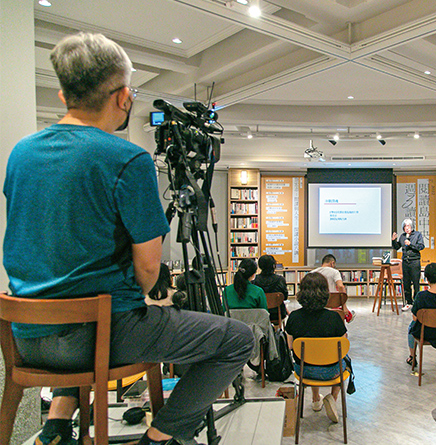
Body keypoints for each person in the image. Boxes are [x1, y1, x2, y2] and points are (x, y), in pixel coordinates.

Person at [3, 32, 254, 445]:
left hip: (26, 338)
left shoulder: (21, 152)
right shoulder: (127, 159)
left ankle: (57, 426)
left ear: (65, 94)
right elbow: (149, 268)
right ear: (122, 98)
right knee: (237, 339)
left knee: (82, 296)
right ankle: (161, 437)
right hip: (99, 337)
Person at [286, 273, 348, 423]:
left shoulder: (294, 317)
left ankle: (315, 399)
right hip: (332, 371)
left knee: (310, 356)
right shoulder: (334, 317)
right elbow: (344, 346)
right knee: (347, 362)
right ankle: (332, 399)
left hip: (303, 370)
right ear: (325, 293)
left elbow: (290, 345)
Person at [392, 218, 425, 312]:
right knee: (406, 283)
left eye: (408, 226)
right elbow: (397, 247)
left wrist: (410, 244)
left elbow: (421, 246)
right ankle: (408, 302)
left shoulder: (417, 235)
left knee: (415, 283)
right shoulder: (402, 236)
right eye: (405, 227)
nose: (407, 228)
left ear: (411, 227)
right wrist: (394, 241)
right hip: (405, 262)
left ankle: (416, 303)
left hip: (415, 261)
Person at [310, 254, 354, 323]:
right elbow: (341, 286)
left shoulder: (312, 273)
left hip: (315, 305)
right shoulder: (334, 272)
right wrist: (344, 306)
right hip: (331, 304)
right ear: (332, 263)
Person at [253, 254, 290, 323]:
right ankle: (276, 331)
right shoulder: (280, 280)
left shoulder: (254, 280)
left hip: (260, 313)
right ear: (273, 266)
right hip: (277, 313)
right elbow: (284, 297)